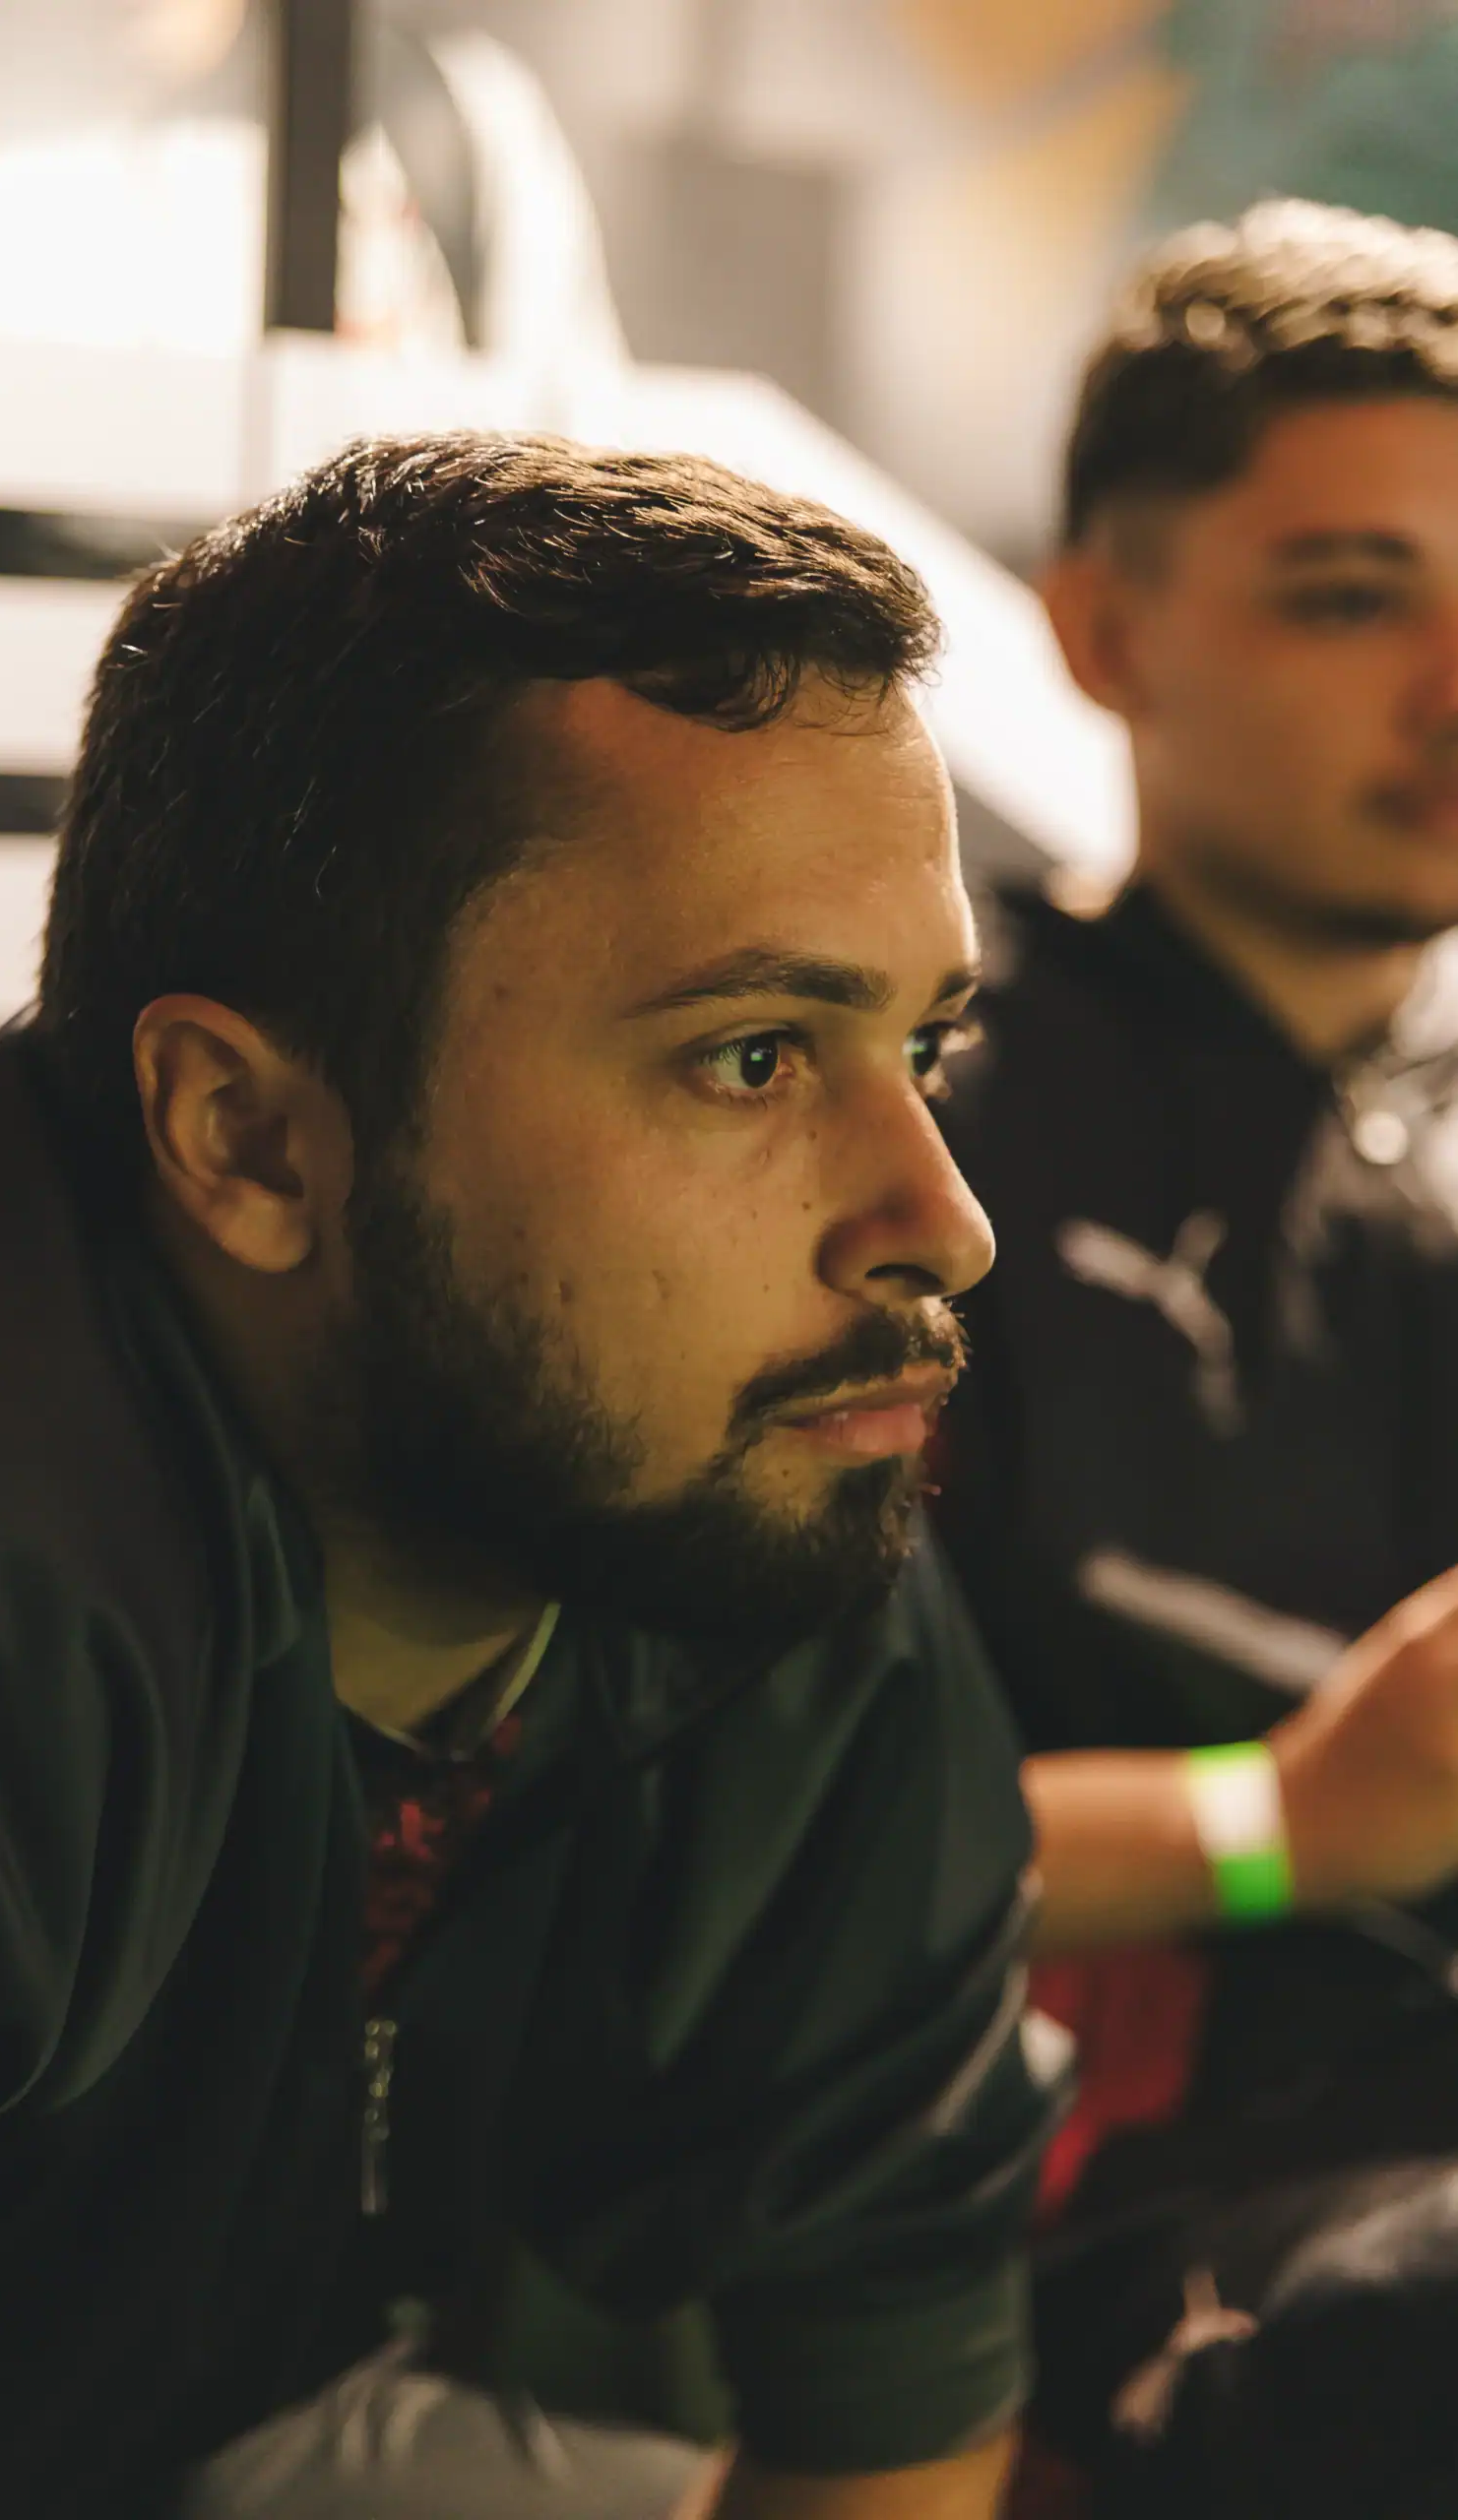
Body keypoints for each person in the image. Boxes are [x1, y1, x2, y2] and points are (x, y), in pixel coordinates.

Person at [0, 434, 1060, 2520]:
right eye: (750, 1055)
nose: (942, 1222)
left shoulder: (741, 1484)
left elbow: (885, 2383)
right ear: (246, 1136)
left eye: (922, 1048)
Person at [930, 200, 1458, 2511]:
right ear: (1101, 627)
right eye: (1352, 595)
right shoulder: (912, 1149)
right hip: (1133, 2208)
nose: (1454, 679)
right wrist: (1289, 1819)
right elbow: (710, 1857)